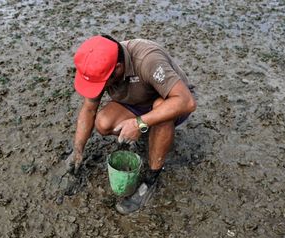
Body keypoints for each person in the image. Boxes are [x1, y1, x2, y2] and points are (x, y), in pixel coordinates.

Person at [65, 35, 196, 214]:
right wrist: (77, 149)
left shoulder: (148, 60)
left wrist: (139, 123)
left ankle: (151, 179)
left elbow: (186, 102)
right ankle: (150, 135)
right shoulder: (100, 65)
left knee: (161, 111)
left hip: (169, 102)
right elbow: (89, 109)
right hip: (136, 103)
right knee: (103, 123)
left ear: (118, 69)